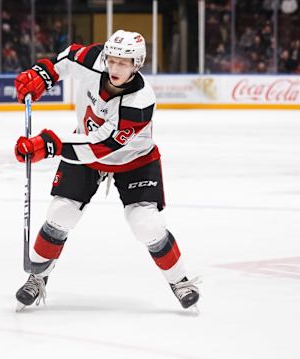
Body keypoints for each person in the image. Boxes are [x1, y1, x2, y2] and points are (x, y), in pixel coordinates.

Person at [13, 30, 200, 311]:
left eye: (123, 63)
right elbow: (62, 60)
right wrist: (42, 75)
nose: (114, 68)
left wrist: (50, 146)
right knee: (60, 213)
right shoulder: (91, 58)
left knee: (145, 223)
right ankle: (37, 278)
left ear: (137, 64)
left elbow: (102, 146)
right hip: (85, 148)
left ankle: (180, 281)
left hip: (133, 160)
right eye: (112, 60)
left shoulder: (140, 103)